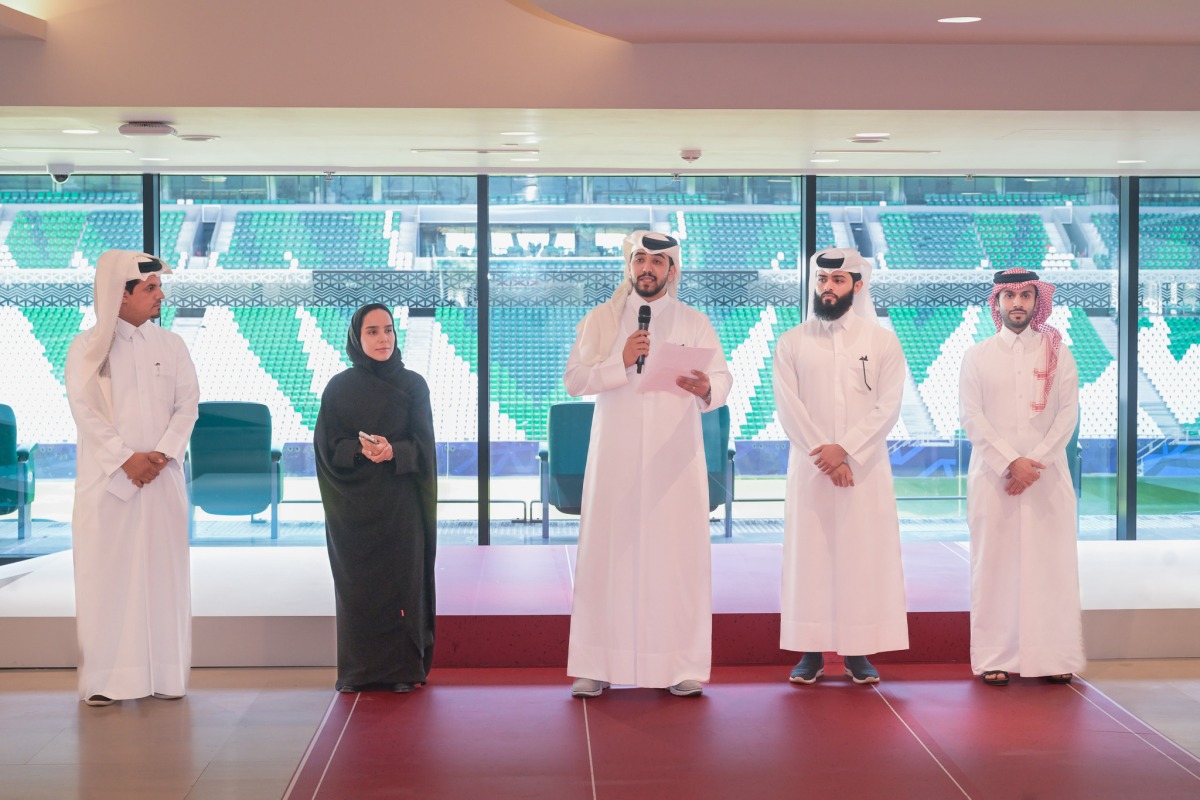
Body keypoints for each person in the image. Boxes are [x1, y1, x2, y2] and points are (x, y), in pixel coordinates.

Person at [564, 230, 732, 698]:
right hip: (615, 460)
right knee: (607, 556)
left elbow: (721, 377)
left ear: (672, 271)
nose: (648, 269)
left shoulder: (694, 321)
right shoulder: (601, 320)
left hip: (674, 460)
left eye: (658, 263)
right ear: (629, 265)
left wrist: (706, 389)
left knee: (674, 558)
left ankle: (678, 664)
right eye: (640, 259)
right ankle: (597, 664)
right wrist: (619, 361)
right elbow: (575, 381)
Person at [64, 249, 200, 707]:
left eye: (159, 287)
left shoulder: (172, 345)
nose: (160, 295)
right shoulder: (86, 348)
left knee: (164, 580)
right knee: (109, 580)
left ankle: (165, 676)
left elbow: (187, 407)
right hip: (108, 487)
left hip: (161, 482)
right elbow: (86, 413)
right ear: (119, 296)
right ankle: (107, 681)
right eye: (150, 288)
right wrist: (126, 460)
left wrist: (158, 456)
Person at [773, 248, 909, 685]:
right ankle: (810, 652)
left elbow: (889, 405)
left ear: (857, 285)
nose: (827, 288)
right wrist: (825, 455)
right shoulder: (792, 341)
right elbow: (788, 406)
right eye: (822, 281)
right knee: (810, 558)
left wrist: (847, 450)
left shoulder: (881, 341)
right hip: (813, 469)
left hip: (863, 471)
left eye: (837, 281)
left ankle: (858, 651)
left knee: (861, 558)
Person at [960, 269, 1084, 687]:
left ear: (1037, 301)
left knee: (1050, 568)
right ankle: (995, 656)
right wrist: (1011, 462)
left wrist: (1035, 464)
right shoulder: (977, 355)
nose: (1018, 303)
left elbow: (1068, 415)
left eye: (1026, 296)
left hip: (1047, 480)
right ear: (996, 302)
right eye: (1009, 295)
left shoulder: (1058, 353)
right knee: (993, 567)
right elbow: (971, 418)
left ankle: (1052, 656)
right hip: (994, 479)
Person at [315, 303, 438, 694]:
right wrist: (359, 448)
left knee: (403, 585)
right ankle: (359, 671)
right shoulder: (338, 388)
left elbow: (424, 448)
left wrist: (393, 451)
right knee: (359, 589)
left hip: (401, 505)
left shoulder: (413, 385)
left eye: (388, 330)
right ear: (357, 337)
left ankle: (405, 670)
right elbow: (325, 448)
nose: (383, 338)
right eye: (372, 331)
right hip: (353, 509)